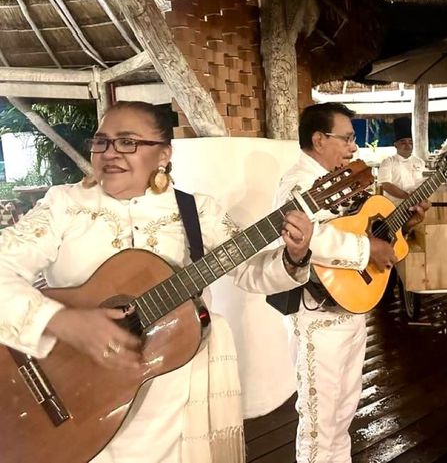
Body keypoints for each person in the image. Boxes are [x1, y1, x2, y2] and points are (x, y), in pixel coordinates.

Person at [0, 101, 314, 463]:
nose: (110, 153)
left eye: (128, 142)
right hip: (77, 395)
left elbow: (250, 272)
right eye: (101, 142)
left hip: (170, 391)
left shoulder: (196, 211)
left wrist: (294, 255)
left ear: (164, 154)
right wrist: (61, 321)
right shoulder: (64, 205)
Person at [273, 102, 428, 463]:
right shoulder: (296, 184)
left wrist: (401, 226)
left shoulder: (341, 180)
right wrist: (366, 248)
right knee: (318, 421)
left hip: (352, 306)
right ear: (318, 139)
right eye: (347, 138)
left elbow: (358, 226)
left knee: (343, 413)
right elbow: (306, 236)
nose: (353, 147)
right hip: (317, 316)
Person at [377, 116, 426, 205]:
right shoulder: (388, 162)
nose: (408, 146)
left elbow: (424, 183)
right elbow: (386, 185)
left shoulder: (420, 162)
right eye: (403, 142)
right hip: (394, 207)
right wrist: (409, 198)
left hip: (417, 206)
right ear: (395, 145)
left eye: (410, 142)